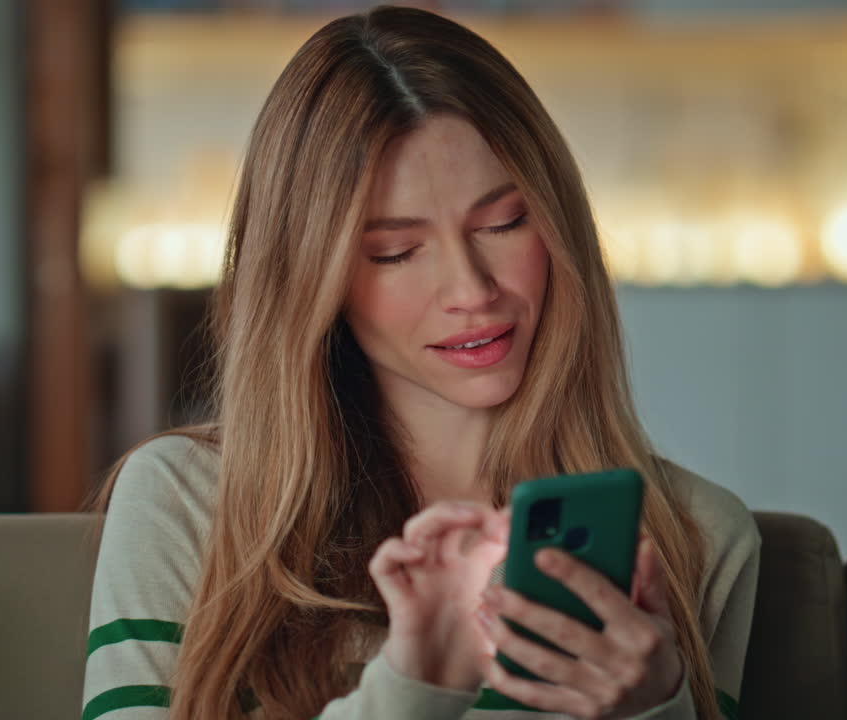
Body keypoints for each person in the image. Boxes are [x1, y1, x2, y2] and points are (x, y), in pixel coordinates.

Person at [81, 6, 760, 720]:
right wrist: (413, 686)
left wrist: (659, 708)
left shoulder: (697, 536)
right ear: (314, 280)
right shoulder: (188, 504)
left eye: (503, 224)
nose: (471, 291)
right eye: (395, 253)